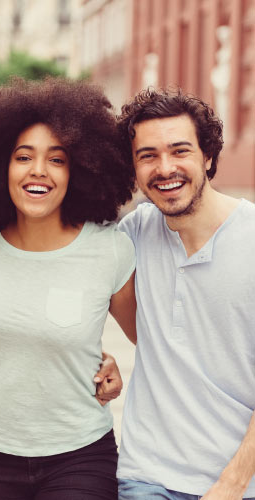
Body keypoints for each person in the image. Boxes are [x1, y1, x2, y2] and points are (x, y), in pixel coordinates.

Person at [0, 78, 137, 499]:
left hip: (78, 455)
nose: (38, 171)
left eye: (57, 159)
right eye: (23, 157)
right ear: (0, 166)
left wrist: (110, 363)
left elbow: (152, 341)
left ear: (81, 169)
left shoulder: (109, 249)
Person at [115, 89, 255, 499]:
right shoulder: (132, 235)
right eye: (147, 156)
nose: (165, 169)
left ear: (208, 156)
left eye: (180, 151)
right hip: (147, 476)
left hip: (239, 484)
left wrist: (232, 483)